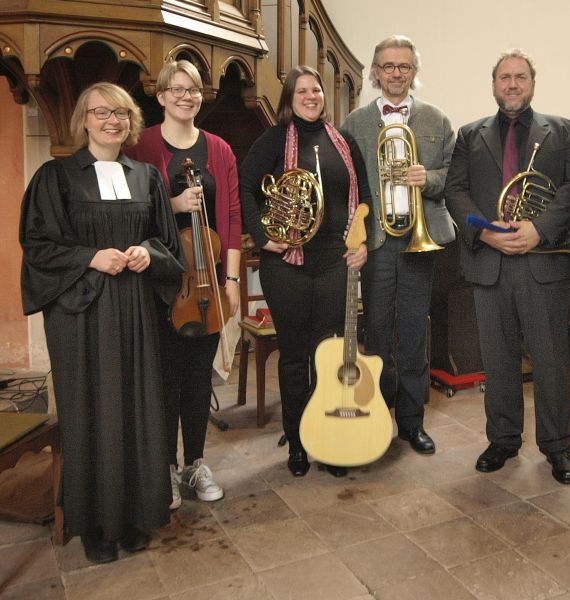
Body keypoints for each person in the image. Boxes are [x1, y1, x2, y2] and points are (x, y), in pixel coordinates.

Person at [19, 82, 184, 563]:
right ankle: (95, 523)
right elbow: (39, 245)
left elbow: (167, 242)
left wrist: (144, 253)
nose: (111, 120)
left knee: (139, 406)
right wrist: (92, 257)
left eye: (120, 112)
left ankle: (135, 516)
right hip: (82, 313)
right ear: (83, 120)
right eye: (100, 112)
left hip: (136, 308)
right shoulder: (57, 176)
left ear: (131, 120)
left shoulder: (147, 177)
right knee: (91, 410)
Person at [444, 49, 570, 481]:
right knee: (498, 359)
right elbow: (455, 191)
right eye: (504, 77)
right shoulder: (469, 135)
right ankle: (502, 440)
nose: (511, 84)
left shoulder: (562, 131)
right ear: (493, 84)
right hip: (490, 261)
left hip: (542, 261)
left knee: (551, 361)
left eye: (520, 77)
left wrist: (539, 229)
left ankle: (557, 446)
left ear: (532, 83)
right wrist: (483, 231)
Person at [239, 66, 369, 478]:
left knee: (329, 355)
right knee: (295, 356)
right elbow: (244, 185)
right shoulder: (276, 138)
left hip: (334, 260)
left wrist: (361, 244)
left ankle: (327, 440)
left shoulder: (343, 141)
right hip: (287, 265)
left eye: (316, 90)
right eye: (302, 91)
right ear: (289, 98)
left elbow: (362, 197)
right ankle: (296, 442)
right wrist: (261, 235)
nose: (311, 96)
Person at [126, 60, 241, 510]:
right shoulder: (140, 145)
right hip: (158, 284)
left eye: (193, 89)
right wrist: (173, 203)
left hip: (205, 283)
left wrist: (231, 277)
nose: (185, 96)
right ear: (160, 96)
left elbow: (230, 217)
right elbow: (133, 212)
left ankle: (194, 462)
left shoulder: (219, 149)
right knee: (165, 379)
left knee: (197, 379)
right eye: (176, 89)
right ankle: (166, 469)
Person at [341, 35, 455, 454]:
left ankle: (411, 422)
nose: (395, 74)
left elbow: (450, 176)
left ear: (414, 73)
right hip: (377, 243)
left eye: (403, 67)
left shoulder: (437, 120)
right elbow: (349, 185)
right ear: (374, 72)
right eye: (387, 66)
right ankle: (378, 418)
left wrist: (431, 179)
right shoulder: (354, 123)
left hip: (417, 239)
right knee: (377, 332)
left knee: (412, 335)